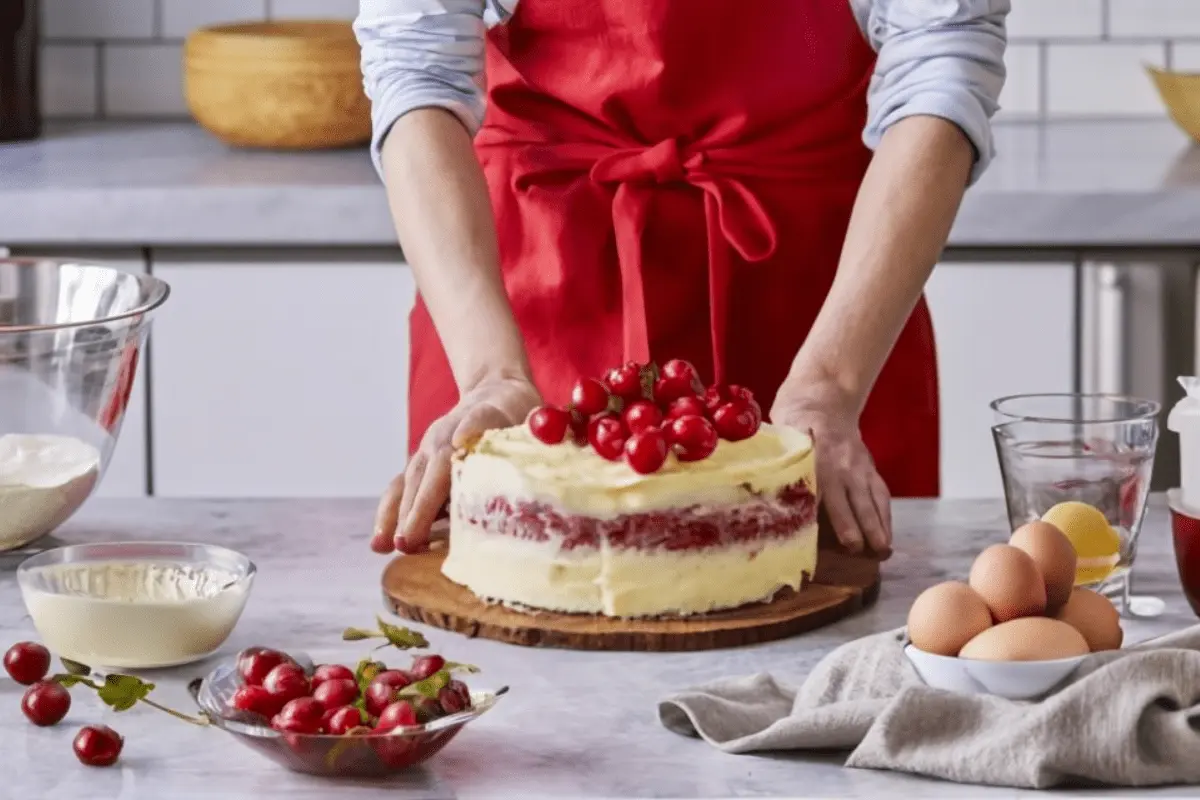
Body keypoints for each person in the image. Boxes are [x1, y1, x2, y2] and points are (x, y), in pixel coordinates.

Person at [357, 0, 1009, 558]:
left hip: (825, 309)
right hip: (526, 299)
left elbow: (943, 63)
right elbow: (414, 68)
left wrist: (829, 388)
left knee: (843, 666)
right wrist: (490, 378)